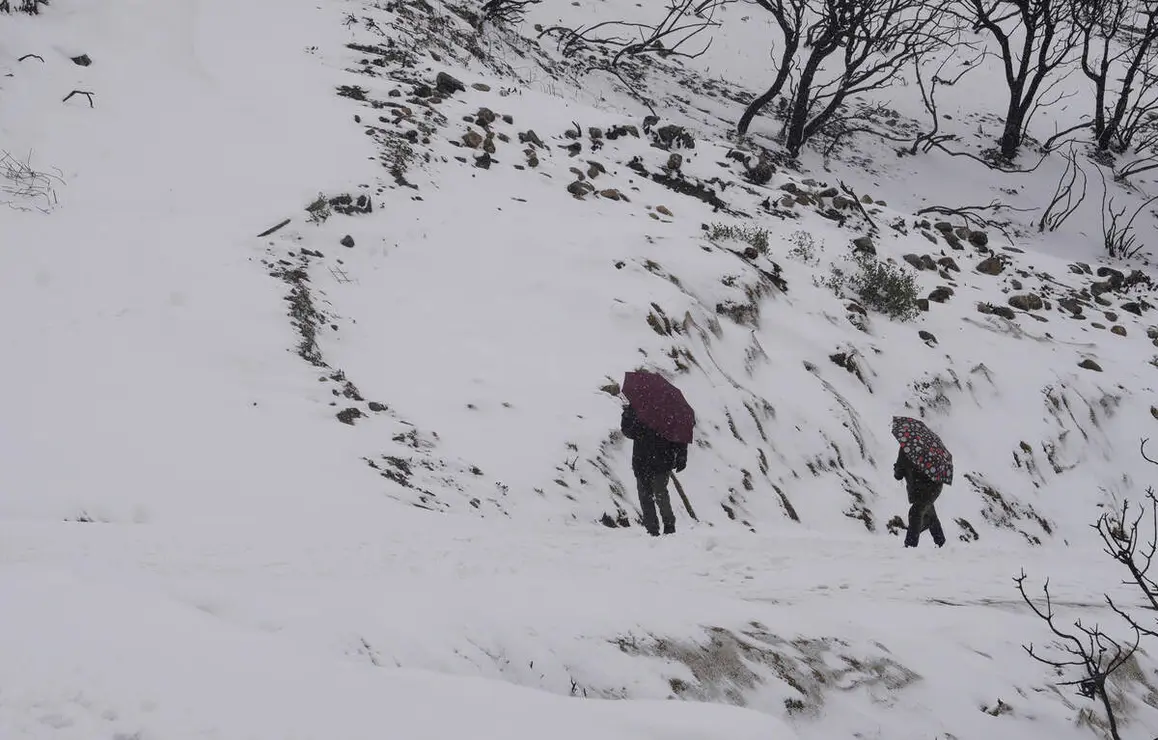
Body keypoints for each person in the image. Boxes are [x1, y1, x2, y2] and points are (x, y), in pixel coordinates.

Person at [621, 404, 688, 536]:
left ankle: (668, 526)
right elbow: (627, 430)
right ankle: (652, 529)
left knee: (659, 493)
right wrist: (633, 421)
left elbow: (679, 434)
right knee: (646, 495)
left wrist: (681, 455)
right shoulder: (636, 407)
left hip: (661, 459)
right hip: (644, 460)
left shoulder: (668, 409)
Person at [894, 446, 945, 548]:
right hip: (925, 488)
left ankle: (910, 546)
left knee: (915, 512)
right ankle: (941, 542)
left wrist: (898, 469)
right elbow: (900, 473)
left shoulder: (908, 447)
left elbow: (898, 474)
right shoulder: (907, 449)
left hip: (929, 487)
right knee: (930, 514)